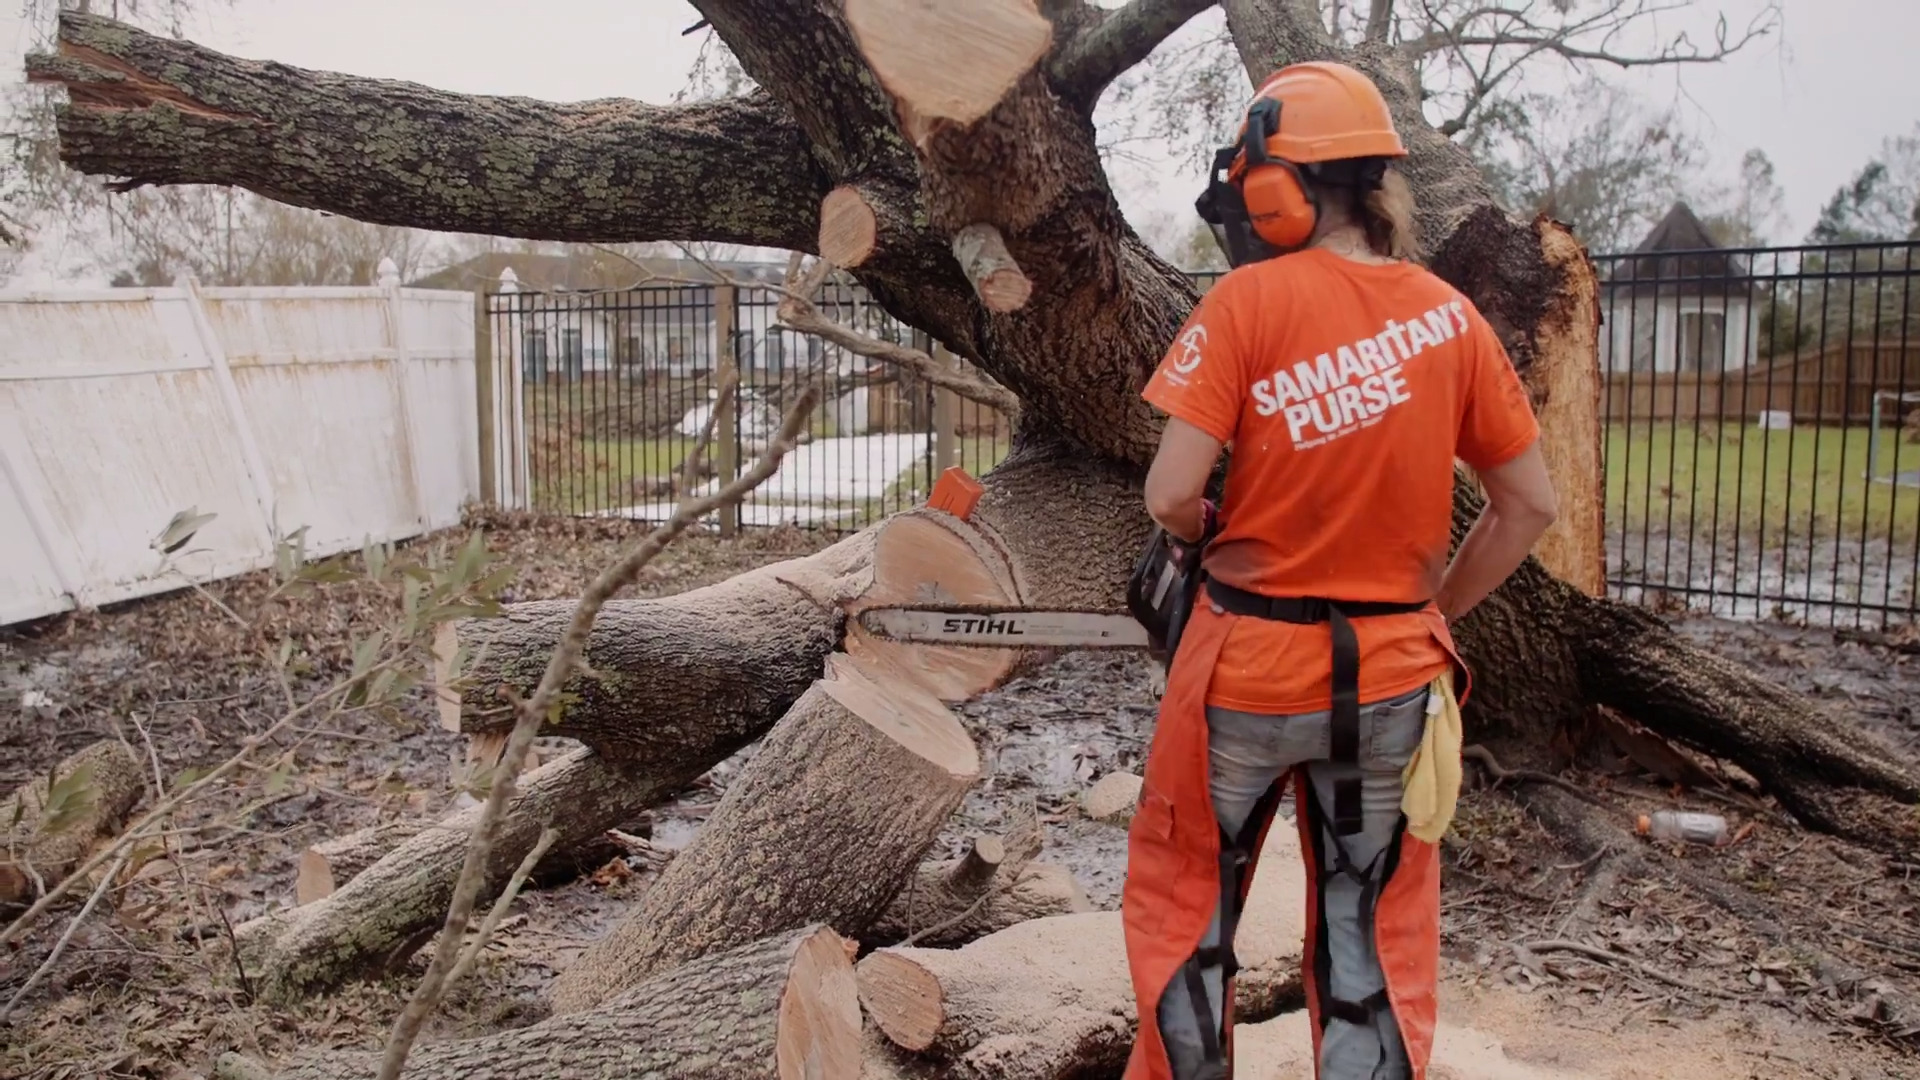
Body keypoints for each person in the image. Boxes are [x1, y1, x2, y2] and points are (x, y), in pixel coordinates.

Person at [1119, 61, 1559, 1080]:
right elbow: (1528, 503)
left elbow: (1168, 495)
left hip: (1245, 667)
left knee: (1192, 910)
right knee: (1373, 935)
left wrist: (1211, 522)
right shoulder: (1451, 320)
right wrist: (1430, 609)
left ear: (1282, 186)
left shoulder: (1245, 302)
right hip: (1393, 674)